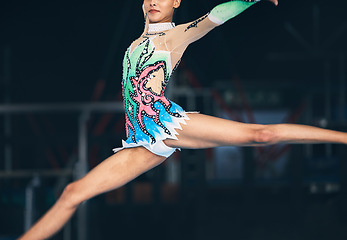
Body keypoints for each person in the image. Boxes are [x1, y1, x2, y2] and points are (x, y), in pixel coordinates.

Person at [19, 0, 347, 239]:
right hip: (140, 141)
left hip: (167, 125)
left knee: (259, 135)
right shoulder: (136, 42)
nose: (152, 2)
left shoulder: (173, 37)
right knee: (72, 193)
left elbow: (214, 18)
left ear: (176, 2)